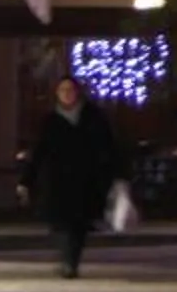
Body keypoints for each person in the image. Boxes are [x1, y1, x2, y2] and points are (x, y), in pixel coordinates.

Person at [20, 75, 121, 279]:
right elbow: (38, 152)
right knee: (60, 223)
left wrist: (113, 175)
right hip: (56, 181)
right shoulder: (49, 121)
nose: (67, 94)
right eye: (62, 91)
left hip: (85, 180)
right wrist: (26, 180)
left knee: (77, 223)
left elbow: (108, 148)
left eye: (70, 90)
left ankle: (70, 262)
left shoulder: (93, 117)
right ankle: (66, 259)